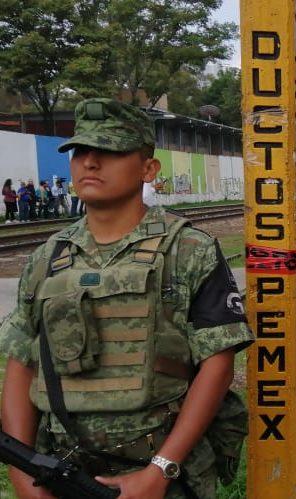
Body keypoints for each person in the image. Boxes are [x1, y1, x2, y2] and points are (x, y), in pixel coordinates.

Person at [0, 98, 253, 499]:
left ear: (148, 168)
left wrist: (161, 469)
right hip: (62, 472)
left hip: (161, 477)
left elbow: (217, 365)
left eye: (111, 151)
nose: (90, 163)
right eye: (80, 151)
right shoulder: (46, 259)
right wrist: (23, 473)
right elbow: (21, 364)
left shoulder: (189, 249)